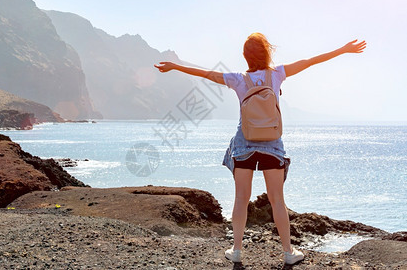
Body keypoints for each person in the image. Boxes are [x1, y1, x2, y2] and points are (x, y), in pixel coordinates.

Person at [154, 33, 366, 265]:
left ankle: (236, 250)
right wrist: (343, 49)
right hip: (272, 144)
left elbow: (207, 74)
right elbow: (309, 61)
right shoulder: (277, 75)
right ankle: (288, 252)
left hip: (244, 143)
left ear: (245, 56)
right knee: (277, 200)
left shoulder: (237, 79)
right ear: (267, 53)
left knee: (240, 199)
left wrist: (176, 67)